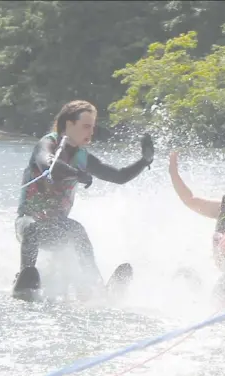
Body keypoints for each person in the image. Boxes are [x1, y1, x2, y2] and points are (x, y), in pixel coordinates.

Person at [12, 100, 155, 300]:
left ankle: (97, 287)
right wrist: (75, 174)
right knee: (32, 228)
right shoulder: (47, 143)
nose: (91, 131)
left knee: (77, 231)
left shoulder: (83, 157)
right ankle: (24, 278)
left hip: (55, 228)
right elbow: (47, 163)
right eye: (86, 126)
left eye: (93, 127)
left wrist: (144, 161)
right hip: (27, 222)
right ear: (68, 124)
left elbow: (119, 176)